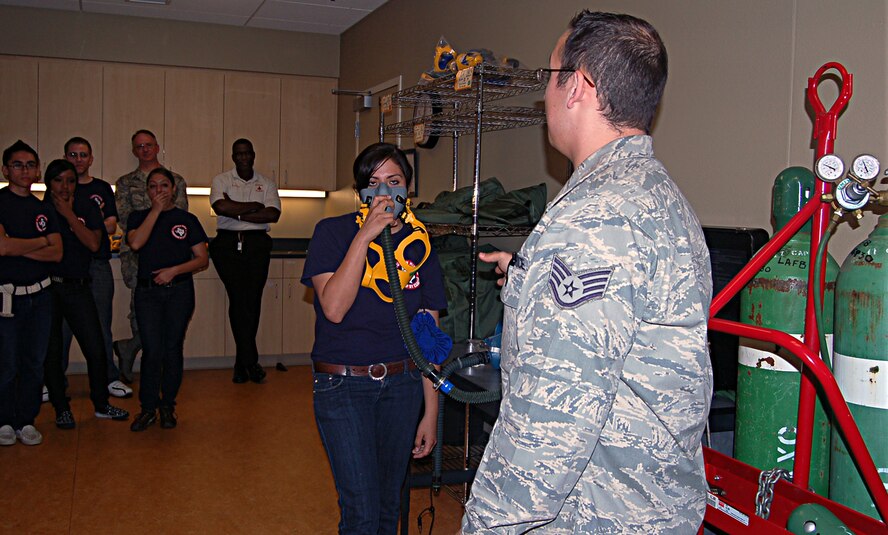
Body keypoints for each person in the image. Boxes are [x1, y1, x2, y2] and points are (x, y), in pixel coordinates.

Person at [461, 12, 713, 533]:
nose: (544, 97)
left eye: (548, 79)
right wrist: (532, 283)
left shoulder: (593, 217)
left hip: (596, 514)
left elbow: (550, 425)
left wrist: (486, 524)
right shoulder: (657, 196)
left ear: (577, 86)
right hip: (651, 508)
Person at [301, 142, 447, 533]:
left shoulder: (420, 247)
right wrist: (365, 236)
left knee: (389, 507)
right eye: (374, 183)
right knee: (362, 511)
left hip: (401, 386)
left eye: (394, 181)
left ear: (408, 190)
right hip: (343, 385)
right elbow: (333, 308)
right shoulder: (332, 233)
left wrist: (430, 413)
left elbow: (427, 336)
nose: (384, 193)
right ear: (360, 193)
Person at [41, 159, 130, 430]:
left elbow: (93, 243)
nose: (65, 186)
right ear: (48, 182)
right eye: (58, 181)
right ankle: (61, 408)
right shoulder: (40, 210)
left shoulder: (87, 206)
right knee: (54, 352)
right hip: (50, 288)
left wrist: (69, 215)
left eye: (70, 180)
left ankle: (101, 404)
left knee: (96, 347)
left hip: (79, 287)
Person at [126, 167, 207, 432]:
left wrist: (174, 270)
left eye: (164, 186)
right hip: (147, 294)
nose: (158, 191)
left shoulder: (188, 220)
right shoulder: (138, 217)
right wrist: (156, 211)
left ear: (173, 189)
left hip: (178, 292)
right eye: (153, 186)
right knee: (152, 350)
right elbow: (136, 243)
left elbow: (201, 259)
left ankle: (167, 406)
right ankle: (148, 408)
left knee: (172, 349)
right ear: (147, 191)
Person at [0, 141, 63, 446]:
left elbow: (56, 254)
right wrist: (39, 242)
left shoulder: (43, 209)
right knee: (7, 363)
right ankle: (4, 421)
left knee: (34, 362)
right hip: (6, 299)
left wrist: (18, 245)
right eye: (17, 164)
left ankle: (26, 420)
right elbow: (2, 247)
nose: (24, 170)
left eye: (30, 165)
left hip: (41, 297)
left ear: (38, 170)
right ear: (5, 169)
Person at [114, 129, 188, 384]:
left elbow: (180, 216)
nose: (144, 149)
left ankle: (135, 351)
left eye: (148, 145)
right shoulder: (125, 182)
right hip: (137, 255)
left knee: (169, 314)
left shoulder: (175, 179)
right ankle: (146, 361)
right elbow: (125, 219)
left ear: (157, 147)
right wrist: (154, 216)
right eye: (139, 146)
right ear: (134, 151)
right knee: (141, 311)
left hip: (169, 255)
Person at [63, 137, 132, 399]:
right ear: (65, 157)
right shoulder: (58, 187)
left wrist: (76, 228)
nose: (78, 160)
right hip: (66, 266)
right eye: (73, 154)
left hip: (97, 265)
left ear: (91, 159)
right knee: (62, 326)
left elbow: (112, 226)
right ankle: (54, 380)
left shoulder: (102, 188)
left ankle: (108, 378)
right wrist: (91, 227)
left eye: (83, 155)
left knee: (101, 323)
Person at [209, 138, 281, 384]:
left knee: (252, 301)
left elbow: (273, 214)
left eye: (246, 153)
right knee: (239, 299)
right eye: (238, 154)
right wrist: (253, 207)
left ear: (253, 155)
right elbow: (220, 207)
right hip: (226, 245)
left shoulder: (267, 183)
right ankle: (249, 361)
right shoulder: (221, 180)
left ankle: (243, 363)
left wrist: (235, 209)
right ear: (233, 157)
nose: (242, 157)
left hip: (257, 245)